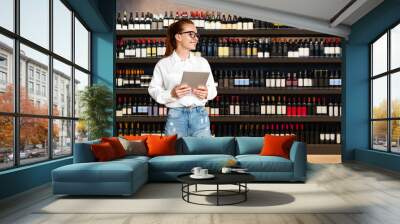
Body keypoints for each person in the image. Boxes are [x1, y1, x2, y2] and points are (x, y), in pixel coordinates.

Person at [148, 18, 217, 138]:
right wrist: (172, 94)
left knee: (204, 154)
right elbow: (153, 90)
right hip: (176, 115)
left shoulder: (202, 62)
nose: (196, 38)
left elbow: (213, 90)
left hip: (200, 115)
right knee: (175, 154)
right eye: (191, 34)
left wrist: (206, 93)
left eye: (196, 35)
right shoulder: (163, 64)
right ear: (178, 37)